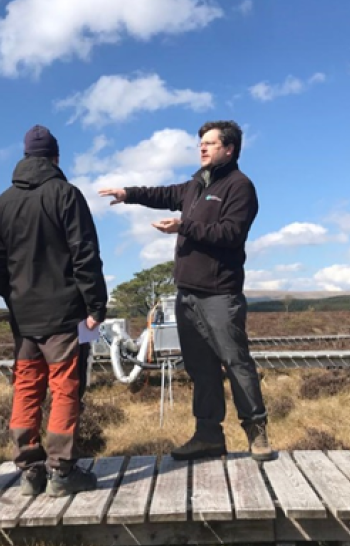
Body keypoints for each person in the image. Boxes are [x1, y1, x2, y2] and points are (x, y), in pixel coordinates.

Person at [99, 120, 273, 462]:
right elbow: (163, 194)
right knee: (200, 367)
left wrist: (185, 227)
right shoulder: (196, 184)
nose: (202, 148)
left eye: (210, 143)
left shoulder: (240, 187)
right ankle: (208, 436)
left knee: (235, 362)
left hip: (220, 295)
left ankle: (257, 432)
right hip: (188, 294)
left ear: (229, 149)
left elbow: (230, 234)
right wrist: (128, 194)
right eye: (201, 144)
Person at [0, 125, 108, 497]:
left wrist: (14, 301)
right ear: (55, 158)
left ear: (25, 158)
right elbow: (84, 253)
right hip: (64, 315)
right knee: (65, 388)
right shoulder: (66, 195)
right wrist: (96, 304)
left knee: (26, 388)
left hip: (24, 319)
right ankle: (61, 471)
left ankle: (30, 470)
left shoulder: (1, 204)